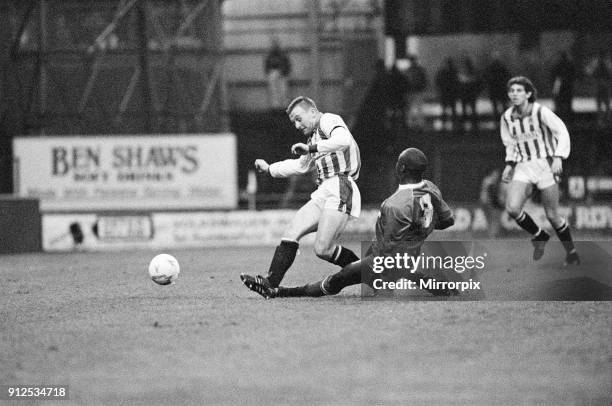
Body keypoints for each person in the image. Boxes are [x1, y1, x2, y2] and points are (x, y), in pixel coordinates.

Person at [241, 148, 456, 299]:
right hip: (410, 255)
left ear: (400, 168)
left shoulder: (394, 205)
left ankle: (280, 292)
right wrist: (420, 229)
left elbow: (388, 253)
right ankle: (443, 288)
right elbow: (447, 221)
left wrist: (369, 270)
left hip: (385, 261)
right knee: (402, 267)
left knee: (337, 280)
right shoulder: (430, 188)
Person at [240, 96, 362, 295]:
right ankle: (270, 283)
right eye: (294, 122)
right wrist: (270, 168)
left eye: (299, 118)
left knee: (323, 249)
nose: (297, 125)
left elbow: (343, 140)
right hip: (324, 190)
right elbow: (300, 165)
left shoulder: (328, 120)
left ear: (313, 112)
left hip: (341, 185)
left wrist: (311, 148)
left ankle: (371, 273)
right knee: (292, 230)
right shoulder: (313, 138)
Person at [501, 76, 579, 265]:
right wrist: (509, 165)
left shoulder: (540, 112)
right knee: (512, 208)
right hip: (523, 167)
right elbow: (510, 143)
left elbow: (561, 131)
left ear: (528, 93)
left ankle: (572, 253)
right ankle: (539, 235)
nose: (515, 94)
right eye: (512, 91)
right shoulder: (506, 117)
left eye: (519, 90)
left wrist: (559, 156)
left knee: (552, 215)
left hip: (545, 165)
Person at [264, 39, 291, 109]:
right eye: (274, 45)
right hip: (273, 73)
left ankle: (285, 107)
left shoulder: (283, 55)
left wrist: (285, 72)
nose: (275, 47)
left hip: (282, 74)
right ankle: (276, 107)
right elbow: (266, 66)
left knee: (284, 91)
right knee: (274, 91)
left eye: (276, 45)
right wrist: (268, 73)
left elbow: (287, 65)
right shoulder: (269, 55)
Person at [483, 53, 511, 118]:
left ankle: (497, 120)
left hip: (494, 89)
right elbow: (508, 76)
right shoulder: (502, 67)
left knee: (496, 106)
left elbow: (486, 77)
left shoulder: (490, 67)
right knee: (503, 105)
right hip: (500, 89)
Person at [551, 51, 577, 120]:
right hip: (568, 84)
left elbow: (554, 74)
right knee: (567, 100)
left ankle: (560, 114)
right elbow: (573, 74)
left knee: (560, 100)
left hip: (561, 84)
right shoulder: (570, 64)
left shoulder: (558, 64)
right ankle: (568, 115)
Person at [435, 57, 460, 129]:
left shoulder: (442, 72)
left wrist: (440, 90)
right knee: (453, 110)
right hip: (452, 93)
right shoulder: (454, 72)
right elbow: (457, 82)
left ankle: (444, 125)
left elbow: (437, 82)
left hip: (445, 93)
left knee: (444, 110)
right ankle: (454, 125)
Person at [405, 55, 428, 128]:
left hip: (414, 91)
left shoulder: (408, 71)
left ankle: (412, 123)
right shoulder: (419, 70)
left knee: (414, 108)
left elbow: (424, 80)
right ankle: (417, 123)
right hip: (415, 90)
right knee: (417, 108)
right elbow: (424, 80)